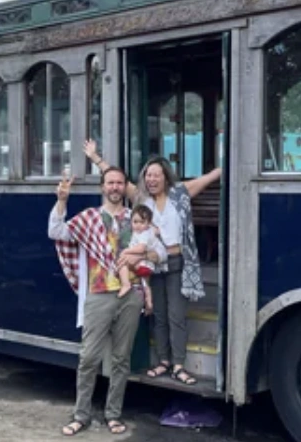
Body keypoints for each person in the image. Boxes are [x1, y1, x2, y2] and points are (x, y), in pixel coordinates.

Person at [84, 141, 221, 386]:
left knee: (177, 315)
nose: (152, 179)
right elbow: (114, 178)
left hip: (177, 261)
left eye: (156, 175)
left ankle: (179, 364)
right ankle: (163, 361)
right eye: (148, 175)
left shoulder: (180, 192)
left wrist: (230, 164)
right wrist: (95, 158)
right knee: (158, 315)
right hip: (151, 264)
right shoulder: (140, 197)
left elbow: (209, 177)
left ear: (165, 177)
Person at [48, 167, 165, 436]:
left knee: (121, 359)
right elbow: (55, 231)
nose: (115, 187)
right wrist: (62, 200)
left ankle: (113, 414)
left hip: (131, 295)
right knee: (89, 357)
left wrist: (144, 252)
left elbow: (160, 254)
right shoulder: (89, 218)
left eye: (119, 183)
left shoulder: (136, 218)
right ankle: (81, 415)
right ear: (103, 187)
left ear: (125, 187)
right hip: (98, 294)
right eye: (110, 182)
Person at [117, 204, 163, 315]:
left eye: (142, 222)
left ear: (148, 223)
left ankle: (125, 284)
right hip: (147, 266)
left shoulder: (143, 234)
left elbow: (141, 248)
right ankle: (149, 302)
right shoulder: (146, 232)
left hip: (142, 264)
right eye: (135, 222)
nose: (138, 225)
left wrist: (126, 251)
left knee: (123, 263)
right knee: (146, 285)